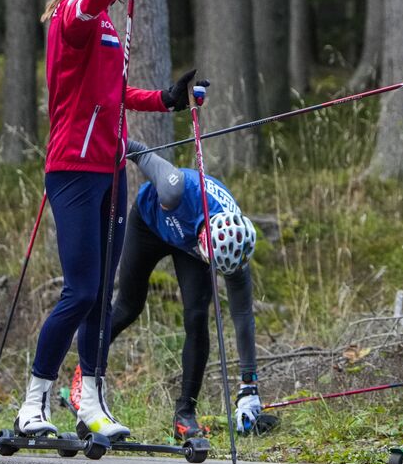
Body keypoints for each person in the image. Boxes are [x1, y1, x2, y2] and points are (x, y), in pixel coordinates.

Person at [14, 0, 206, 440]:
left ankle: (91, 405)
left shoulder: (103, 23)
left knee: (101, 294)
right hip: (72, 170)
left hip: (109, 169)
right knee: (78, 291)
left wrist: (165, 99)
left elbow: (113, 96)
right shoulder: (74, 12)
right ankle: (34, 406)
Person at [95, 138, 272, 439]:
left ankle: (184, 413)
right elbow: (138, 150)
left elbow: (242, 315)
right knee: (129, 305)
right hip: (149, 224)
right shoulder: (174, 188)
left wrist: (249, 387)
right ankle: (87, 377)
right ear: (207, 238)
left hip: (189, 246)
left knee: (197, 317)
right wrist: (113, 145)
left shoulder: (234, 246)